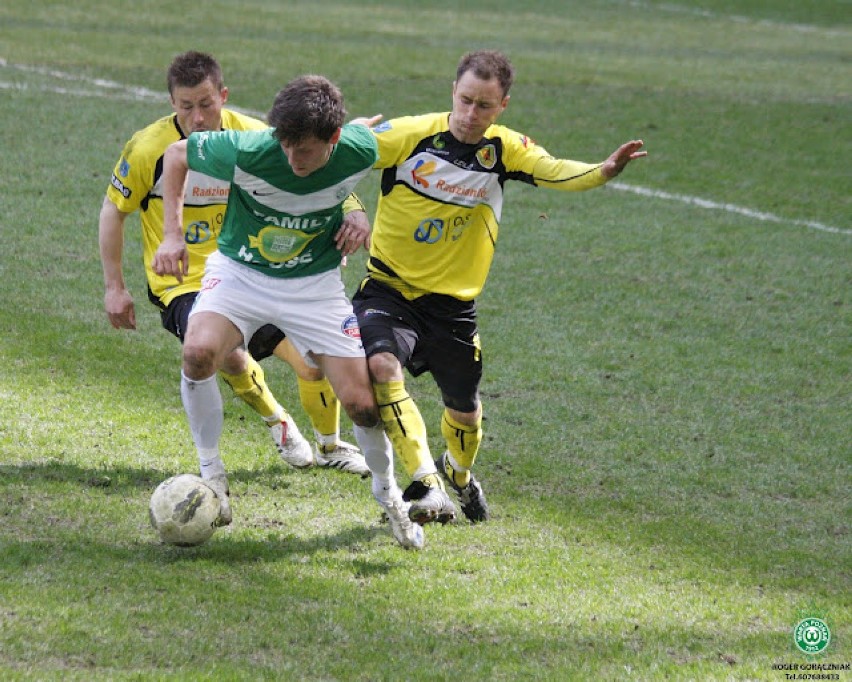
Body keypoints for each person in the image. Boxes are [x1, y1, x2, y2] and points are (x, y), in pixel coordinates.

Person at [352, 49, 647, 525]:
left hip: (453, 308)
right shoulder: (410, 136)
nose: (471, 115)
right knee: (382, 366)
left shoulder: (504, 150)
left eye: (484, 106)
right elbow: (333, 159)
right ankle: (425, 481)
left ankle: (459, 474)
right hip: (388, 290)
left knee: (465, 414)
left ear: (503, 105)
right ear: (453, 91)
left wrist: (605, 170)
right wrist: (351, 205)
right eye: (466, 100)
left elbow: (555, 170)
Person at [151, 74, 424, 549]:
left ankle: (391, 500)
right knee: (197, 353)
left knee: (362, 405)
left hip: (313, 288)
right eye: (287, 146)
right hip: (240, 274)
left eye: (307, 151)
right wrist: (172, 234)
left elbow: (422, 129)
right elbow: (177, 156)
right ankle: (213, 477)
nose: (294, 160)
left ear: (334, 139)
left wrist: (355, 208)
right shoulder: (252, 148)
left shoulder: (359, 146)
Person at [98, 51, 370, 483]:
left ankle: (331, 444)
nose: (198, 116)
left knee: (312, 366)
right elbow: (114, 211)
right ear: (172, 103)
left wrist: (354, 210)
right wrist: (115, 287)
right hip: (184, 281)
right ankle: (277, 422)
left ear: (223, 95)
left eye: (206, 103)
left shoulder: (257, 137)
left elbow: (319, 175)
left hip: (259, 267)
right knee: (225, 355)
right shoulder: (151, 148)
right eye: (186, 106)